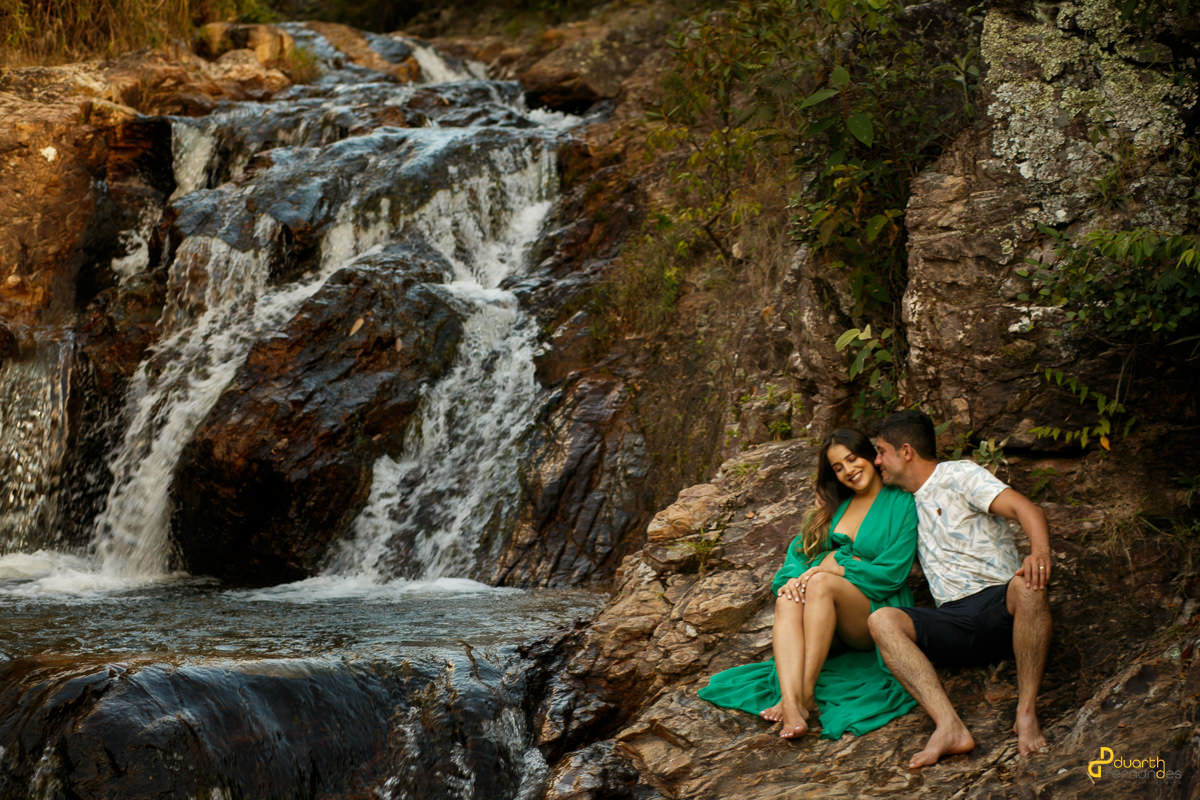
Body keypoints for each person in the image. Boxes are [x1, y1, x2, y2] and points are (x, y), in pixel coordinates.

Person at [698, 428, 918, 739]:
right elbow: (798, 555)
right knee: (787, 598)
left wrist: (837, 565)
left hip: (874, 611)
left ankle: (805, 693)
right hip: (827, 619)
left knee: (820, 584)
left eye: (852, 460)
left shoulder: (900, 502)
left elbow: (892, 572)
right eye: (838, 468)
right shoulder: (836, 506)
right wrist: (791, 580)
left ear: (870, 457)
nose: (848, 471)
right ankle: (791, 702)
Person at [867, 409, 1052, 769]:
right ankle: (949, 726)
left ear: (906, 451)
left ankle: (1026, 711)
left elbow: (1025, 508)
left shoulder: (959, 475)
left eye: (881, 451)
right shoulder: (898, 504)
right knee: (881, 621)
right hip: (951, 620)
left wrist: (1039, 555)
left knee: (1028, 586)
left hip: (999, 606)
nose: (876, 462)